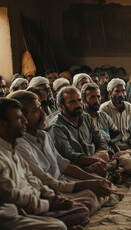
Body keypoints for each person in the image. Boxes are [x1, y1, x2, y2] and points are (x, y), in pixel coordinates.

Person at [8, 90, 112, 215]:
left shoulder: (43, 135)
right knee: (88, 201)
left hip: (62, 180)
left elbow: (62, 164)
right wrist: (86, 184)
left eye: (40, 108)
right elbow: (44, 180)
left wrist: (93, 179)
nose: (42, 113)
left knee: (101, 186)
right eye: (35, 111)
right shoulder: (20, 144)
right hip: (50, 188)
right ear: (22, 117)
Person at [0, 98, 90, 228]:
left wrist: (51, 196)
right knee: (59, 226)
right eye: (19, 118)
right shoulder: (5, 154)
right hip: (17, 212)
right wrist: (48, 204)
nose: (24, 121)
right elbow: (13, 196)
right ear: (2, 124)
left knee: (81, 209)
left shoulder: (12, 149)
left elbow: (31, 177)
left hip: (37, 200)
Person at [49, 86, 110, 177]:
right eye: (72, 102)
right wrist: (95, 161)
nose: (78, 105)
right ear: (61, 106)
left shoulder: (86, 117)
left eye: (79, 100)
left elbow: (101, 142)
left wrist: (97, 159)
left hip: (95, 158)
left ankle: (103, 171)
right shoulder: (56, 126)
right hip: (76, 165)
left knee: (125, 162)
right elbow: (69, 155)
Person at [100, 78, 131, 150]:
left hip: (129, 144)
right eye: (117, 91)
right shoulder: (104, 108)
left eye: (123, 91)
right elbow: (104, 134)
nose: (121, 94)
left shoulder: (129, 106)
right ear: (110, 93)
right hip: (113, 146)